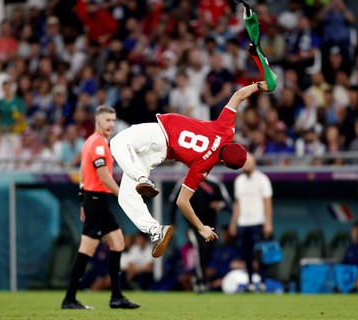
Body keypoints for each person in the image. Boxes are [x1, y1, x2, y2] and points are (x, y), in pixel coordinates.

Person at [109, 9, 277, 259]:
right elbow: (182, 202)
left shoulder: (226, 129)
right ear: (225, 163)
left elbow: (238, 95)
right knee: (125, 196)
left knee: (118, 141)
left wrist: (261, 85)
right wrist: (201, 227)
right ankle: (155, 229)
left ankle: (141, 177)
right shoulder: (205, 166)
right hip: (162, 153)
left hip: (160, 133)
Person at [61, 106, 139, 310]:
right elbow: (103, 175)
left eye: (113, 121)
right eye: (107, 120)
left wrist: (82, 199)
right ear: (97, 120)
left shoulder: (91, 142)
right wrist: (123, 194)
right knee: (86, 250)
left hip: (95, 201)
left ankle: (116, 296)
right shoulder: (98, 144)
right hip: (96, 201)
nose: (111, 124)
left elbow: (83, 173)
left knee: (118, 242)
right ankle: (70, 299)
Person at [169, 174, 231, 292]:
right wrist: (172, 221)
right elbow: (174, 201)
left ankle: (199, 279)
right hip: (193, 226)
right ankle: (202, 281)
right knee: (200, 247)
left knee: (208, 250)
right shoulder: (185, 181)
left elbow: (227, 203)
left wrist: (220, 205)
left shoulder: (214, 182)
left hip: (210, 226)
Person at [228, 153, 273, 291]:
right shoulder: (239, 180)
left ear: (254, 164)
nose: (245, 165)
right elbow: (237, 203)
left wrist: (268, 223)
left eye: (248, 162)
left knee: (260, 255)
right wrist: (233, 223)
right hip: (243, 222)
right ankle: (250, 282)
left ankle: (263, 281)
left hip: (257, 222)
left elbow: (267, 202)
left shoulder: (262, 179)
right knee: (246, 254)